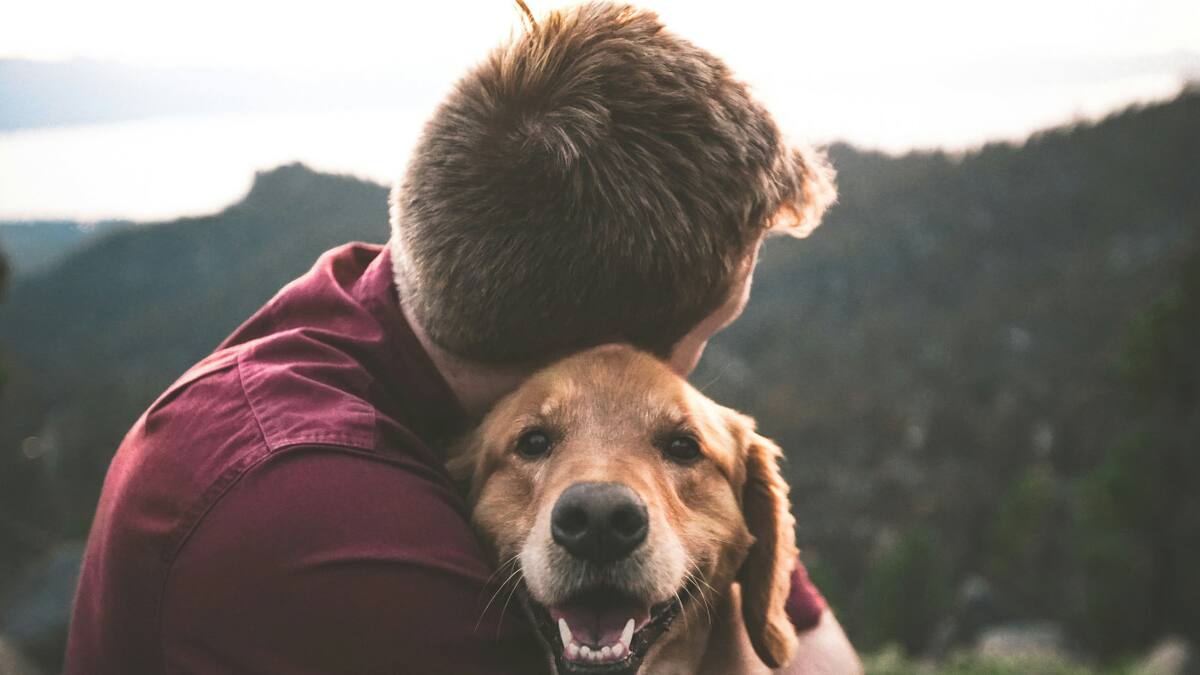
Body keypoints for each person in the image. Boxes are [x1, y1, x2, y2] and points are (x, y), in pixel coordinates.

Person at [64, 3, 860, 673]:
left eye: (674, 439)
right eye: (707, 335)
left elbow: (818, 651)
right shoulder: (330, 527)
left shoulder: (397, 300)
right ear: (601, 351)